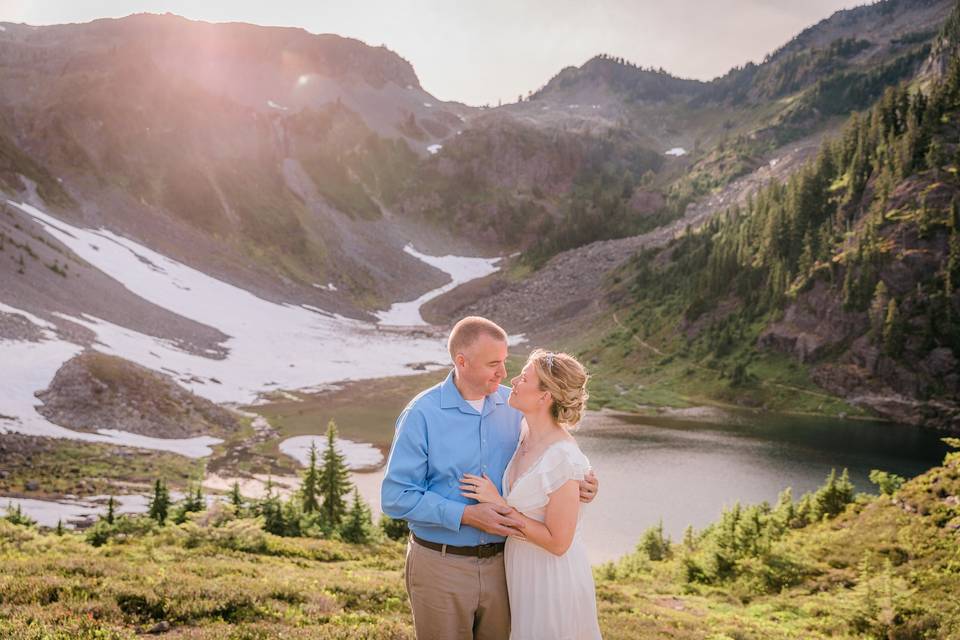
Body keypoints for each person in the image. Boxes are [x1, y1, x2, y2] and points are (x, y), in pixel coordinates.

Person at [381, 316, 599, 640]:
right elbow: (395, 497)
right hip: (442, 566)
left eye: (505, 362)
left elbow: (555, 457)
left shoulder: (516, 405)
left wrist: (584, 482)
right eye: (493, 364)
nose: (503, 373)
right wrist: (467, 515)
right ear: (462, 362)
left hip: (506, 571)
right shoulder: (422, 414)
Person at [460, 349, 602, 639]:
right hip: (523, 572)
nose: (513, 380)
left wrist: (498, 504)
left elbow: (558, 542)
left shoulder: (563, 455)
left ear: (544, 396)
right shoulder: (524, 431)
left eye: (524, 377)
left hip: (552, 578)